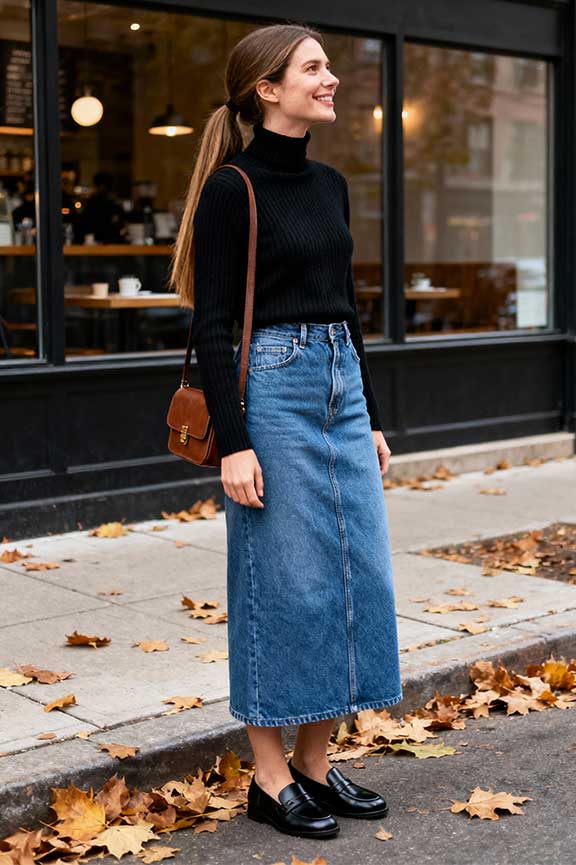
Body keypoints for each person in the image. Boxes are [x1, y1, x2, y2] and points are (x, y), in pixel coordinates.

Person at [169, 23, 403, 840]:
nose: (331, 77)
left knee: (356, 574)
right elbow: (215, 324)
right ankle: (269, 778)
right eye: (314, 67)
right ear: (269, 89)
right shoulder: (233, 189)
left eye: (327, 66)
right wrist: (234, 441)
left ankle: (314, 761)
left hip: (338, 383)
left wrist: (369, 415)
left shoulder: (331, 183)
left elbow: (349, 310)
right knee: (280, 580)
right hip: (269, 390)